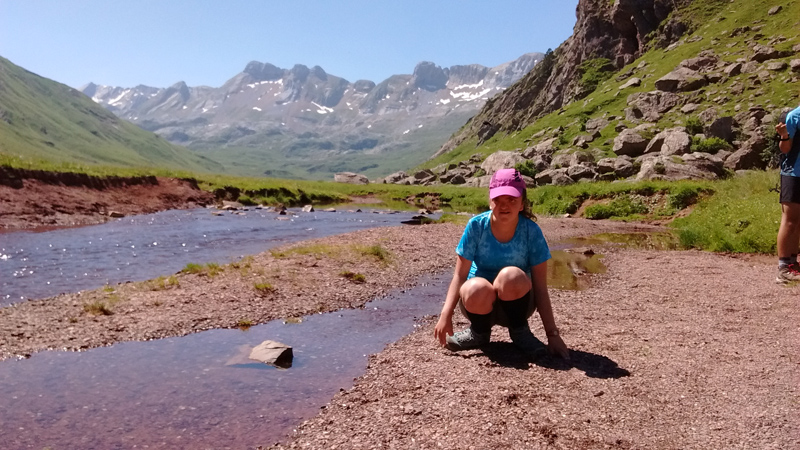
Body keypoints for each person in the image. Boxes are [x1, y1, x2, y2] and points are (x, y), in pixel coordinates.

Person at [433, 168, 569, 359]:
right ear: (490, 201)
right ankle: (478, 333)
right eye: (498, 199)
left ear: (522, 203)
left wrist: (552, 335)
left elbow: (540, 287)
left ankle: (520, 332)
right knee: (475, 286)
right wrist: (445, 316)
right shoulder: (476, 226)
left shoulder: (532, 232)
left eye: (511, 200)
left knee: (510, 275)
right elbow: (459, 276)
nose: (504, 206)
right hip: (476, 304)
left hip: (518, 304)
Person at [775, 104, 800, 283]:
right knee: (790, 220)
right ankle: (784, 268)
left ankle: (793, 263)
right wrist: (784, 135)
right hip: (793, 173)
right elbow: (785, 149)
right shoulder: (794, 116)